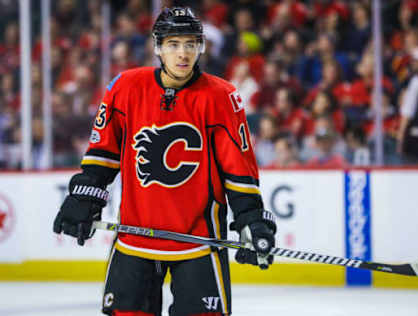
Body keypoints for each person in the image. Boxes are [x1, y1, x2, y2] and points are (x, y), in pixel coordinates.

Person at [52, 7, 276, 316]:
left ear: (201, 47)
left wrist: (251, 219)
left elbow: (238, 171)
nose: (182, 53)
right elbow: (102, 155)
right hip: (134, 238)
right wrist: (83, 198)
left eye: (190, 44)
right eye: (173, 44)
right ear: (158, 47)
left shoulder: (222, 96)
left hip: (199, 241)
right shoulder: (125, 88)